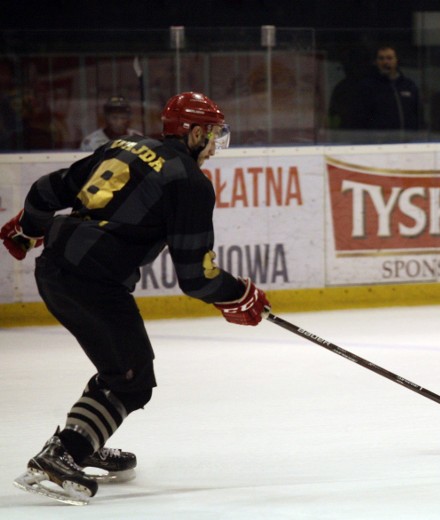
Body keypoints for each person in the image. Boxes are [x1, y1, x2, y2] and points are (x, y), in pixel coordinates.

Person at [2, 91, 270, 505]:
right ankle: (62, 455)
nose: (216, 146)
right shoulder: (190, 182)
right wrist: (238, 295)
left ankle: (83, 439)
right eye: (213, 135)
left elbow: (46, 189)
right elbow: (196, 278)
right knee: (133, 378)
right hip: (94, 280)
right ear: (194, 132)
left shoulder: (124, 146)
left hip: (56, 267)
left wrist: (28, 228)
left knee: (120, 366)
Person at [350, 46, 421, 134]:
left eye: (389, 58)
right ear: (376, 62)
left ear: (396, 60)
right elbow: (360, 117)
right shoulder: (368, 87)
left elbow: (418, 114)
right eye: (381, 58)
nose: (385, 62)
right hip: (379, 142)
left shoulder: (408, 86)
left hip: (407, 141)